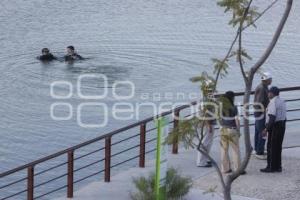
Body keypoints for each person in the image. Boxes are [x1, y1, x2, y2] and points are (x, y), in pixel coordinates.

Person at [260, 86, 286, 173]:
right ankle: (278, 166)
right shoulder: (282, 101)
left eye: (269, 92)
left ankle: (270, 167)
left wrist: (266, 129)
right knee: (278, 146)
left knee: (271, 147)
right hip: (282, 125)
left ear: (272, 93)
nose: (268, 94)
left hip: (274, 126)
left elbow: (272, 117)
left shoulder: (273, 102)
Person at [220, 91, 245, 174]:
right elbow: (237, 120)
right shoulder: (234, 107)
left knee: (224, 150)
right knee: (235, 150)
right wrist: (238, 130)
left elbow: (219, 119)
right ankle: (237, 169)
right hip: (232, 129)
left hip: (223, 130)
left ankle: (225, 169)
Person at [253, 72, 272, 159]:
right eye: (270, 79)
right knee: (263, 131)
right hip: (261, 113)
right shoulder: (262, 88)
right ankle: (259, 152)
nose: (271, 80)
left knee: (258, 131)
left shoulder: (263, 87)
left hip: (258, 113)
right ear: (267, 80)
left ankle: (257, 148)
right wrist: (265, 112)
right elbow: (259, 103)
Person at [196, 91, 216, 168]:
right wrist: (209, 125)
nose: (212, 92)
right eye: (210, 90)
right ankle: (201, 162)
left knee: (208, 143)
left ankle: (205, 159)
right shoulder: (205, 101)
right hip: (207, 124)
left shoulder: (206, 100)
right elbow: (205, 114)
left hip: (208, 123)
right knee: (205, 143)